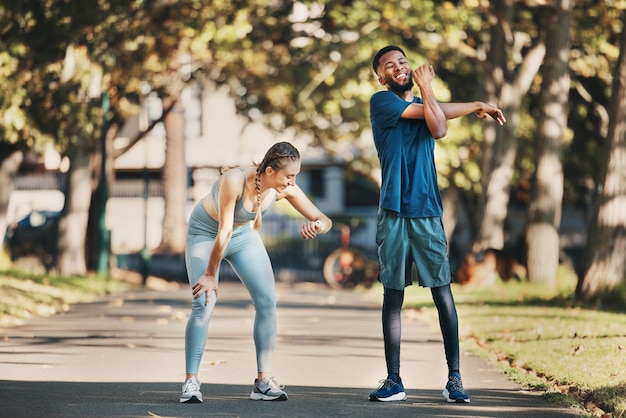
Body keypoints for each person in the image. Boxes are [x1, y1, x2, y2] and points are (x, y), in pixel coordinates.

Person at [367, 45, 506, 404]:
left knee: (442, 292)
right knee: (392, 296)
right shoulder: (381, 102)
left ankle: (454, 378)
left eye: (402, 62)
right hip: (394, 211)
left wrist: (476, 105)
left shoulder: (424, 103)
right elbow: (437, 122)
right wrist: (429, 89)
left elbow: (438, 119)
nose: (398, 68)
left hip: (426, 209)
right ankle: (394, 379)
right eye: (389, 66)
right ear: (380, 76)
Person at [180, 141, 332, 403]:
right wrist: (209, 274)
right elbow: (223, 231)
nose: (293, 181)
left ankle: (263, 381)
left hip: (242, 237)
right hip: (206, 234)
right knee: (204, 301)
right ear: (271, 171)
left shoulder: (282, 188)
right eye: (289, 175)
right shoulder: (234, 180)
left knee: (267, 302)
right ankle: (191, 381)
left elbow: (325, 219)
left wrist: (317, 225)